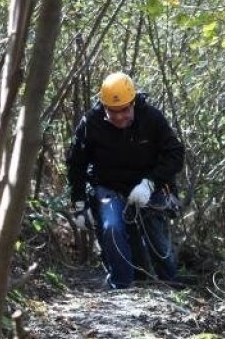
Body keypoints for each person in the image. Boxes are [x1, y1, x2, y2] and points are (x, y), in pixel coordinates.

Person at [66, 72, 185, 289]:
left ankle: (170, 285)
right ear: (104, 107)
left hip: (150, 186)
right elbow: (76, 163)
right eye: (113, 111)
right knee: (112, 228)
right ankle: (122, 286)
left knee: (158, 240)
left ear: (132, 103)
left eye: (124, 110)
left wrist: (150, 183)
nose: (120, 117)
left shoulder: (152, 118)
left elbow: (175, 154)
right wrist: (79, 203)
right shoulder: (91, 123)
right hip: (109, 186)